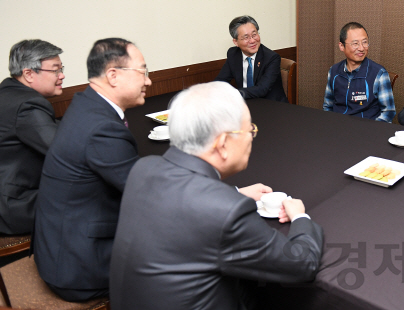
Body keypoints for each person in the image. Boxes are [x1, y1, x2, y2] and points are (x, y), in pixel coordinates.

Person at [109, 82, 323, 309]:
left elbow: (186, 203)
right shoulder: (226, 211)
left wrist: (237, 192)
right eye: (249, 130)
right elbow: (301, 264)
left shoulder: (144, 169)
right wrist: (300, 218)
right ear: (222, 144)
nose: (251, 138)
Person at [33, 38, 152, 301]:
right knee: (191, 257)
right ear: (113, 75)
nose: (148, 81)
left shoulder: (86, 105)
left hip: (61, 245)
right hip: (79, 266)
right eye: (143, 71)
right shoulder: (101, 128)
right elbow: (147, 194)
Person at [0, 40, 64, 235]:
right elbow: (63, 152)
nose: (61, 76)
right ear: (28, 73)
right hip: (17, 205)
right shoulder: (28, 105)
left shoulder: (7, 93)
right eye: (55, 70)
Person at [323, 22, 396, 123]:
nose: (361, 48)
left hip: (366, 130)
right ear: (341, 46)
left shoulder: (379, 74)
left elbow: (388, 112)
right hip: (337, 127)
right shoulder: (334, 71)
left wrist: (371, 130)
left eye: (365, 42)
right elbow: (328, 106)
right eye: (355, 43)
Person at [215, 15, 289, 103]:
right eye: (246, 37)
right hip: (246, 103)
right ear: (236, 42)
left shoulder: (271, 58)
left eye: (254, 35)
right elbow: (221, 81)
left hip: (271, 106)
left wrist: (232, 94)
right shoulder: (233, 54)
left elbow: (262, 89)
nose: (252, 41)